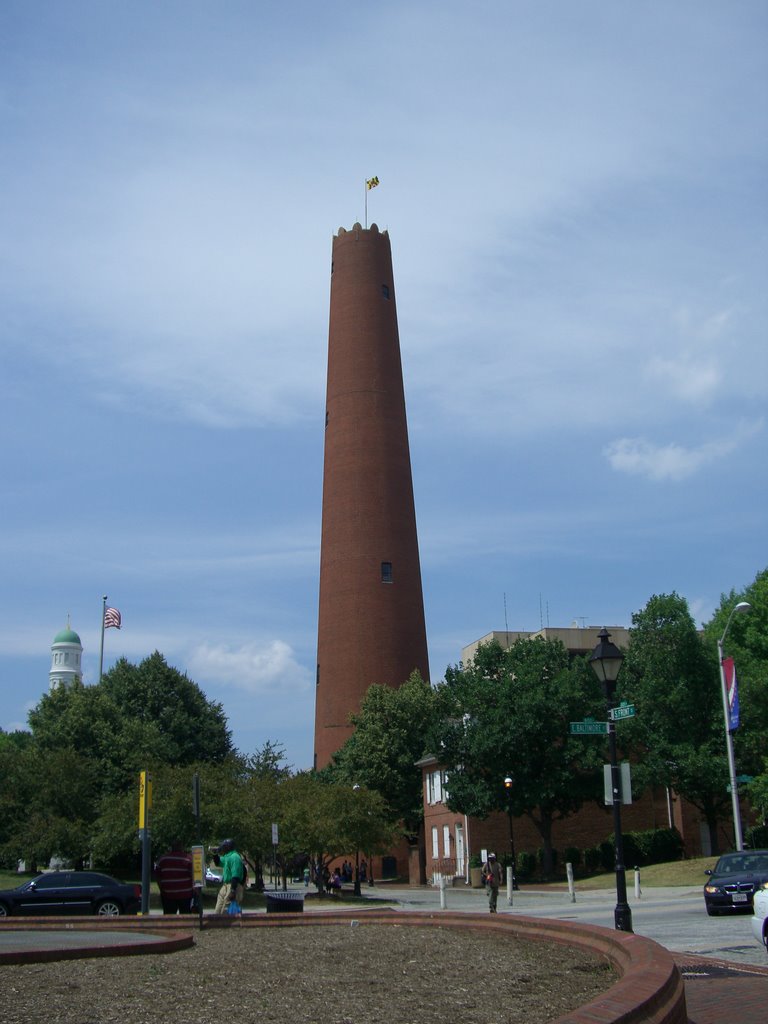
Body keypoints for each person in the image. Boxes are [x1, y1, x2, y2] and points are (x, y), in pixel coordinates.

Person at [155, 842, 194, 915]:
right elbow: (193, 875)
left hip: (168, 894)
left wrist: (162, 889)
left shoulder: (163, 859)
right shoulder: (188, 859)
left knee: (169, 917)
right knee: (186, 917)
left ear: (171, 847)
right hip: (185, 894)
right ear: (181, 847)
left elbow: (158, 876)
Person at [213, 838, 245, 914]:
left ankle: (229, 925)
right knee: (218, 911)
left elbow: (235, 876)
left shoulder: (235, 857)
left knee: (226, 912)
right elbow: (218, 862)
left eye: (224, 846)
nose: (222, 848)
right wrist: (215, 854)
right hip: (225, 885)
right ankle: (216, 924)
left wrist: (233, 891)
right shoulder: (227, 856)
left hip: (233, 885)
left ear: (228, 847)